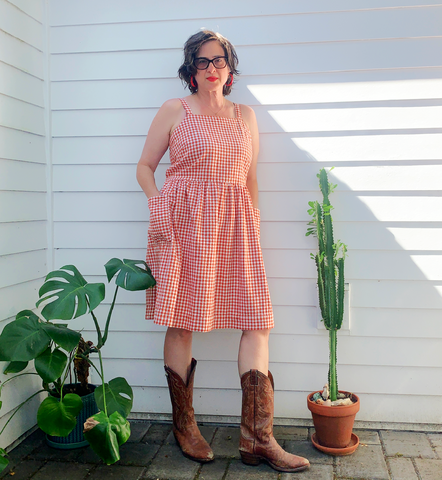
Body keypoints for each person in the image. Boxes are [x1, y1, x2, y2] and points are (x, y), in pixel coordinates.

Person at [136, 30, 309, 473]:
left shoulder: (244, 116)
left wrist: (252, 224)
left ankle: (258, 439)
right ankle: (185, 426)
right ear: (190, 70)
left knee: (257, 321)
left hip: (235, 228)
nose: (211, 69)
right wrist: (159, 205)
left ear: (230, 69)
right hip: (183, 227)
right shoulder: (175, 111)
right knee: (181, 322)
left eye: (219, 61)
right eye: (202, 61)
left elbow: (249, 178)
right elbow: (145, 167)